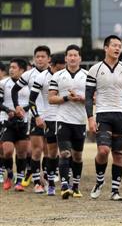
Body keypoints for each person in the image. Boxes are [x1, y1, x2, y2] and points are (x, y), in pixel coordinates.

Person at [86, 35, 122, 201]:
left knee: (118, 153)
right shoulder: (94, 69)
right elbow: (88, 96)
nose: (117, 48)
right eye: (114, 45)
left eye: (119, 46)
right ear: (106, 48)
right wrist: (90, 118)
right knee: (103, 151)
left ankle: (115, 190)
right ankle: (99, 180)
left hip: (121, 116)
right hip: (103, 114)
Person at [48, 45, 88, 199]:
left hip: (80, 121)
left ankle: (76, 186)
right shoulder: (57, 76)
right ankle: (64, 185)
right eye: (69, 55)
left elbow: (95, 98)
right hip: (63, 120)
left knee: (77, 156)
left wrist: (81, 98)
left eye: (75, 55)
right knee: (64, 153)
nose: (72, 58)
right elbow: (51, 99)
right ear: (65, 58)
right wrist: (66, 98)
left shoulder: (87, 75)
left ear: (80, 58)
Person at [11, 45, 51, 190]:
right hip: (36, 116)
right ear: (34, 59)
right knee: (37, 149)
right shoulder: (29, 75)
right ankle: (37, 183)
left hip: (52, 117)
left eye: (43, 56)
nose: (40, 59)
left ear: (49, 59)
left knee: (50, 151)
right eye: (37, 57)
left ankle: (47, 178)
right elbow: (15, 89)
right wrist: (17, 106)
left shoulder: (54, 74)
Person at [30, 54, 66, 195]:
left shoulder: (66, 75)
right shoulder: (42, 77)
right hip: (48, 118)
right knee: (48, 152)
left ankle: (65, 182)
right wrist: (37, 116)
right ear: (53, 65)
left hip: (65, 118)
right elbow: (31, 100)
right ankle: (47, 182)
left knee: (65, 151)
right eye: (59, 68)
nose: (62, 70)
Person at [0, 58, 30, 191]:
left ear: (22, 70)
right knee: (7, 151)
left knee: (22, 153)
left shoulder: (29, 84)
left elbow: (36, 101)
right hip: (7, 120)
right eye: (10, 67)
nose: (11, 69)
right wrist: (8, 110)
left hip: (23, 121)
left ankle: (19, 180)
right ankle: (9, 174)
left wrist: (23, 110)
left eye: (14, 67)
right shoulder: (3, 83)